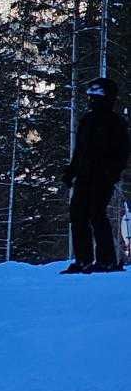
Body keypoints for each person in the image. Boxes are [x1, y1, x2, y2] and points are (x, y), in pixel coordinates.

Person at [64, 76, 131, 273]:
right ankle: (83, 259)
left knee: (96, 213)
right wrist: (71, 172)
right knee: (77, 215)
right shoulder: (87, 120)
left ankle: (107, 260)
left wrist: (112, 173)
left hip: (102, 177)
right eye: (91, 95)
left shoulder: (115, 122)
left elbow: (123, 152)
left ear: (108, 97)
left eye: (97, 95)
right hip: (84, 176)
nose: (92, 99)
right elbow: (80, 151)